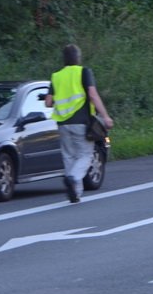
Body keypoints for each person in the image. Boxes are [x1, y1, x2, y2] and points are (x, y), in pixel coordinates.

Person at [45, 44, 114, 203]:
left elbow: (48, 103)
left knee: (69, 156)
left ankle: (75, 194)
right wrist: (105, 116)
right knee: (85, 154)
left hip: (62, 123)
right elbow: (92, 95)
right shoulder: (84, 72)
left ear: (64, 59)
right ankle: (73, 178)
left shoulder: (56, 76)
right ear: (78, 58)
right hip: (81, 122)